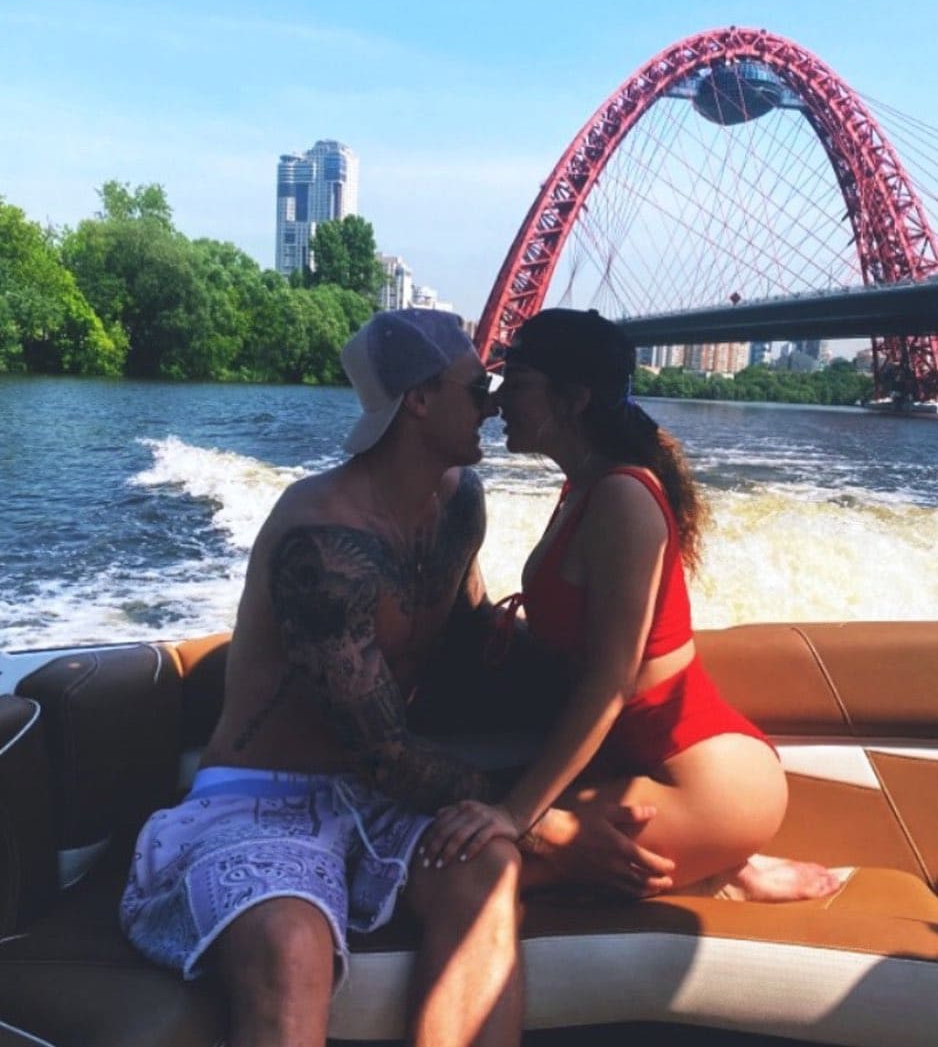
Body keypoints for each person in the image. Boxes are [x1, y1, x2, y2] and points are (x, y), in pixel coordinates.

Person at [119, 307, 672, 1047]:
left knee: (487, 871)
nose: (494, 403)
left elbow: (469, 638)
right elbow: (382, 752)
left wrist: (607, 687)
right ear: (419, 400)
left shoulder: (461, 501)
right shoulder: (323, 539)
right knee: (289, 939)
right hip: (261, 797)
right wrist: (550, 825)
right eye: (476, 388)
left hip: (377, 799)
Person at [420, 307, 848, 903]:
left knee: (454, 872)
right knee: (441, 842)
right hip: (640, 766)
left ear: (573, 399)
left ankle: (720, 861)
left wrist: (516, 814)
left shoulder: (621, 496)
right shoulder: (584, 487)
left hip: (706, 785)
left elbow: (611, 682)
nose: (495, 403)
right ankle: (718, 867)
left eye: (515, 384)